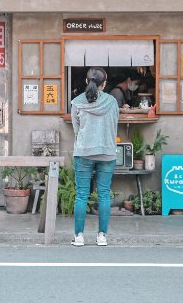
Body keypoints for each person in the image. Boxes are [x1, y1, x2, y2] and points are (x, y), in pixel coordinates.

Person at [70, 67, 119, 246]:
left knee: (82, 195)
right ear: (104, 84)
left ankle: (79, 236)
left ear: (86, 81)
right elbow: (115, 124)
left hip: (83, 152)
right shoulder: (112, 102)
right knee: (104, 195)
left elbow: (76, 129)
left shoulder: (77, 102)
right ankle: (102, 236)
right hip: (107, 152)